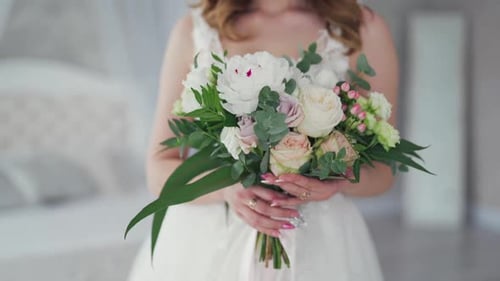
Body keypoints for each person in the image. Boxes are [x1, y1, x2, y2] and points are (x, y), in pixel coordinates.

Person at [128, 0, 398, 280]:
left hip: (319, 243)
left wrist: (335, 184)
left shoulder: (361, 28)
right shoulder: (196, 29)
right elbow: (159, 169)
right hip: (209, 241)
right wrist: (224, 189)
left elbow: (383, 174)